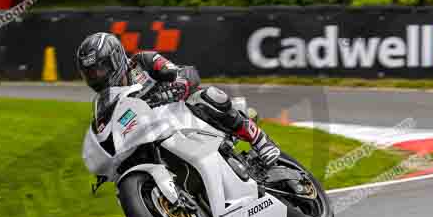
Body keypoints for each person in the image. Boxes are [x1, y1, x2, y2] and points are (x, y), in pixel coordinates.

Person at [75, 32, 282, 166]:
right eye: (91, 74)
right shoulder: (106, 102)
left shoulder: (143, 61)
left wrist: (177, 86)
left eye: (100, 69)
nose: (97, 76)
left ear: (115, 58)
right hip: (153, 132)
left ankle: (260, 140)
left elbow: (184, 73)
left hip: (181, 113)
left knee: (207, 95)